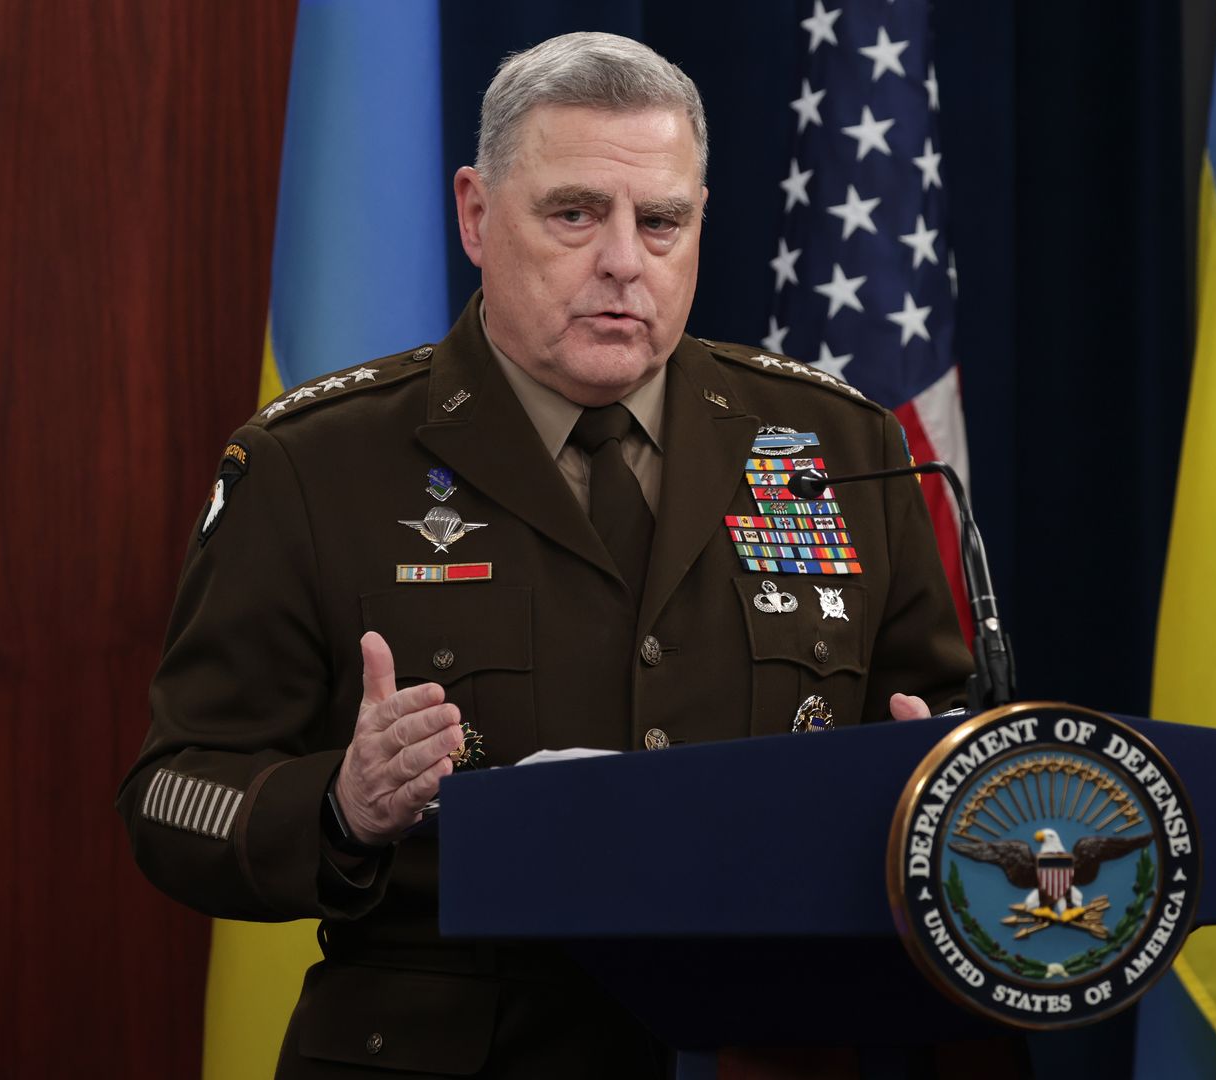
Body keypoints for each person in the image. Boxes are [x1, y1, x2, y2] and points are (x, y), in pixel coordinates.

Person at [117, 31, 972, 1078]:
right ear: (477, 215)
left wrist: (927, 778)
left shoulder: (841, 446)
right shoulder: (315, 463)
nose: (623, 260)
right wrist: (342, 806)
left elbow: (942, 733)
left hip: (771, 1046)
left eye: (661, 222)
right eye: (574, 213)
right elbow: (173, 797)